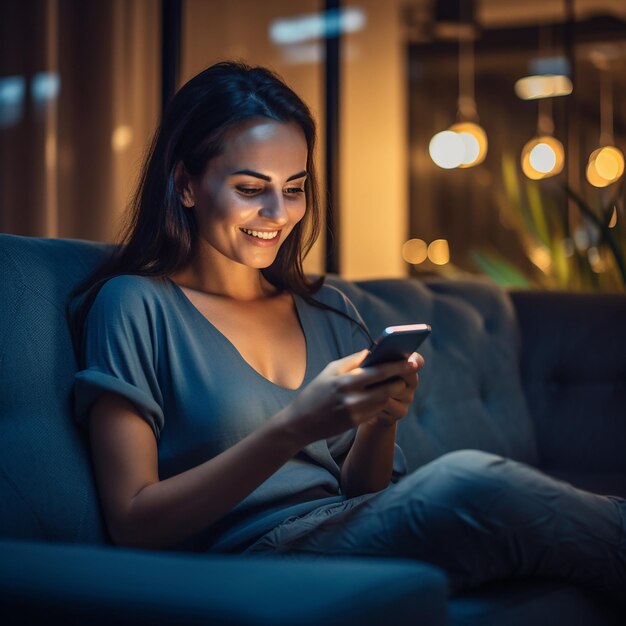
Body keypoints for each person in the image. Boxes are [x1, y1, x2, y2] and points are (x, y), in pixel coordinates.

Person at [71, 61, 626, 601]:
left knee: (485, 497)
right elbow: (133, 522)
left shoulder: (326, 310)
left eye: (294, 188)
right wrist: (294, 426)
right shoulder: (135, 305)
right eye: (250, 188)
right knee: (470, 484)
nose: (278, 213)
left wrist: (379, 422)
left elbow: (366, 493)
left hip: (347, 530)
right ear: (185, 185)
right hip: (252, 558)